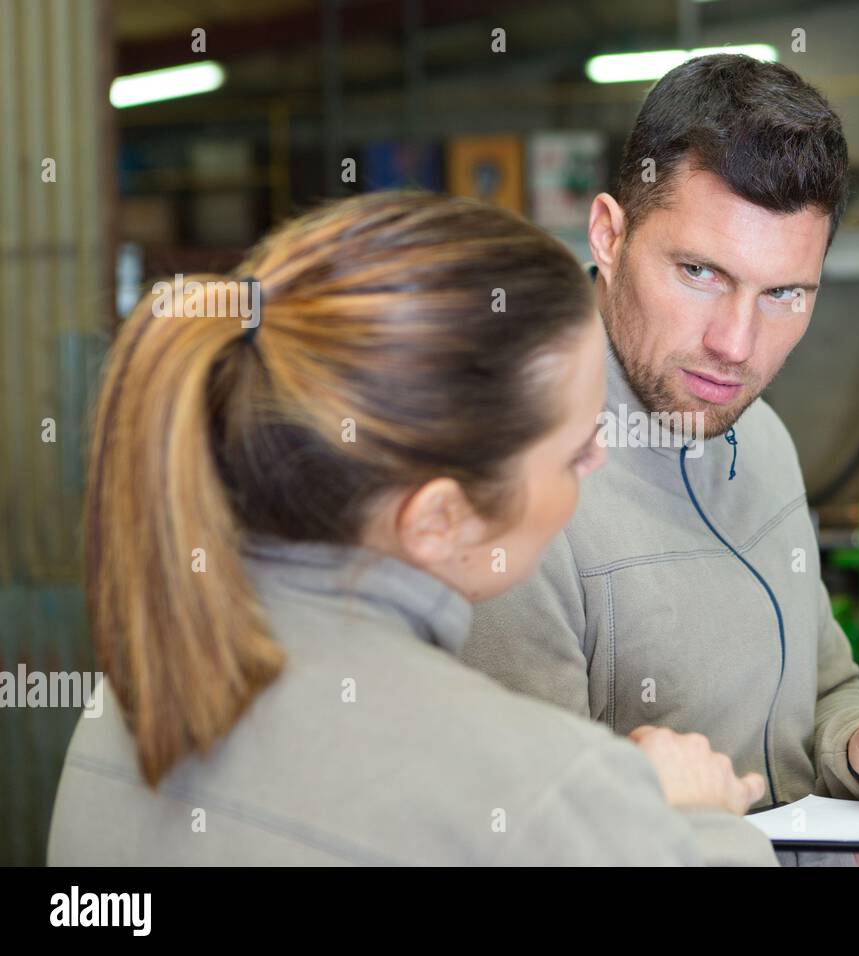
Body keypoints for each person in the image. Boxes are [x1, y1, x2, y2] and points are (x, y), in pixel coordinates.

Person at [47, 191, 776, 866]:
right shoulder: (540, 793)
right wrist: (697, 826)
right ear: (439, 519)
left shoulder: (128, 707)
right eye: (574, 449)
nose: (598, 460)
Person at [462, 55, 859, 857]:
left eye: (786, 294)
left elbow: (824, 690)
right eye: (701, 273)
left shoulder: (762, 439)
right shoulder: (509, 480)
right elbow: (513, 837)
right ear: (609, 235)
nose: (737, 348)